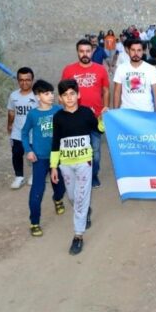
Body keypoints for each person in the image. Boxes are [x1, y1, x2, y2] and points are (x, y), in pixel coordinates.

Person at [50, 79, 102, 256]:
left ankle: (78, 235)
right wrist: (54, 167)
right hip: (65, 164)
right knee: (72, 196)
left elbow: (99, 129)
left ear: (78, 95)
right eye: (65, 95)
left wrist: (103, 118)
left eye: (72, 94)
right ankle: (85, 210)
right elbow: (55, 143)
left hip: (84, 163)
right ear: (60, 99)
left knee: (80, 197)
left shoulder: (86, 113)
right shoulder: (58, 118)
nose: (69, 98)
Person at [61, 39, 110, 188]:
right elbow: (63, 93)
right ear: (77, 52)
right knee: (76, 151)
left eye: (88, 51)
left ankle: (93, 175)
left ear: (92, 51)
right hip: (74, 118)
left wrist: (106, 107)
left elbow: (106, 90)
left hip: (95, 118)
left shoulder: (100, 69)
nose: (85, 54)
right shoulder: (68, 70)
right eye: (81, 51)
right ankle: (77, 176)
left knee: (95, 151)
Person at [21, 79, 66, 237]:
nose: (51, 96)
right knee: (37, 191)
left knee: (60, 185)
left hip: (59, 157)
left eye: (52, 93)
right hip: (40, 158)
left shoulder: (59, 110)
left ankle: (58, 199)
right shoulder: (33, 115)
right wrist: (29, 150)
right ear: (38, 96)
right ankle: (34, 222)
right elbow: (24, 133)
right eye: (46, 93)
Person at [7, 67, 38, 190]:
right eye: (21, 80)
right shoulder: (13, 95)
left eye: (27, 80)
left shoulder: (38, 96)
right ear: (18, 80)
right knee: (16, 153)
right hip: (18, 131)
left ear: (32, 80)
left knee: (34, 154)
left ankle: (35, 175)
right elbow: (11, 112)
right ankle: (19, 176)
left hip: (33, 132)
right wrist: (9, 125)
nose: (24, 82)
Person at [113, 39, 156, 112]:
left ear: (143, 51)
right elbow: (117, 92)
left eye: (139, 50)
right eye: (133, 50)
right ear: (128, 51)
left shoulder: (151, 69)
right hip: (126, 112)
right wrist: (115, 113)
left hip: (146, 112)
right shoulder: (121, 68)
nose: (136, 53)